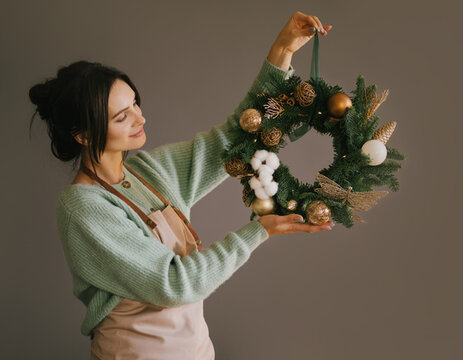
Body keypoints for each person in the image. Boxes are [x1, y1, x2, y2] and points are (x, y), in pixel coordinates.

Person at [28, 11, 334, 359]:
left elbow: (235, 135)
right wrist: (258, 232)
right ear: (83, 135)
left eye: (135, 104)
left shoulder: (149, 170)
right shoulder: (83, 207)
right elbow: (175, 284)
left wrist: (282, 51)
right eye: (121, 116)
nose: (140, 119)